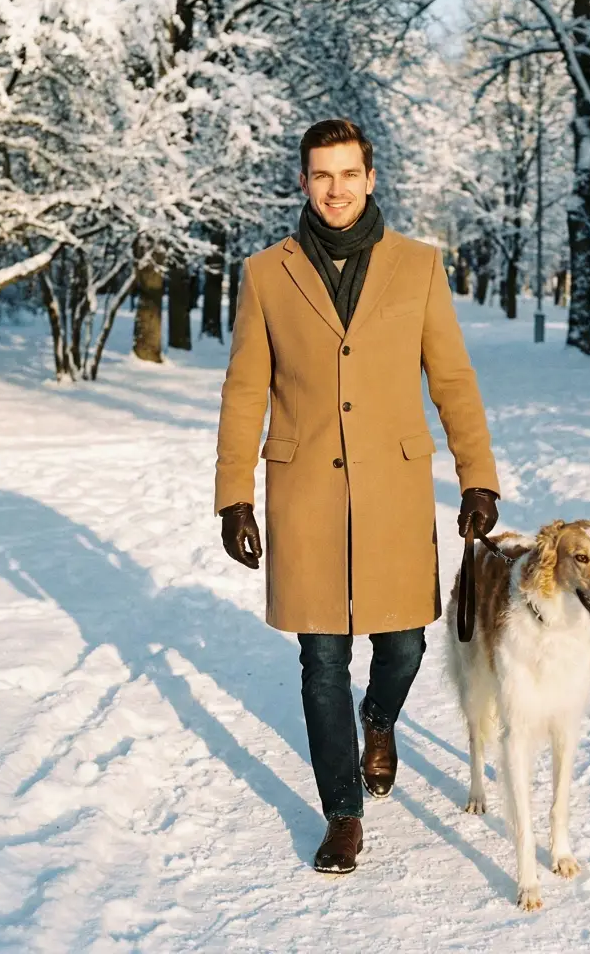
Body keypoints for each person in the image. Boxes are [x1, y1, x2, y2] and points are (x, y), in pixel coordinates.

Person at [214, 119, 500, 873]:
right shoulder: (266, 273)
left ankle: (380, 719)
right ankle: (342, 813)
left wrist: (478, 476)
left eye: (348, 174)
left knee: (403, 644)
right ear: (303, 182)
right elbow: (245, 390)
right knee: (321, 659)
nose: (335, 189)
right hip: (305, 487)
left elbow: (452, 379)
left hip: (394, 487)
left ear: (371, 179)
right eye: (321, 175)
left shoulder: (418, 267)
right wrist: (233, 496)